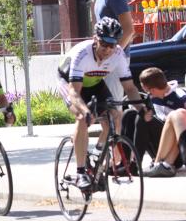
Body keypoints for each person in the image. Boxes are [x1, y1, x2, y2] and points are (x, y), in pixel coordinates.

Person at [57, 17, 143, 190]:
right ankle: (80, 171)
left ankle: (98, 156)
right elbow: (74, 92)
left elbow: (130, 87)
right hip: (70, 83)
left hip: (95, 82)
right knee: (82, 117)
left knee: (116, 116)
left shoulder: (118, 54)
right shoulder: (82, 54)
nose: (108, 49)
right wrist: (86, 111)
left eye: (113, 45)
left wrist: (142, 107)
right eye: (104, 44)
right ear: (95, 39)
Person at [121, 67, 186, 166]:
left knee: (142, 119)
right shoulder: (153, 97)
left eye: (148, 92)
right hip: (160, 145)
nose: (148, 95)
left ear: (154, 90)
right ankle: (125, 163)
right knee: (129, 114)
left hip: (178, 150)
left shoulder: (184, 99)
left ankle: (135, 164)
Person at [84, 0, 134, 107]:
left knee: (114, 104)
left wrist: (114, 53)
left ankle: (117, 132)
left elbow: (129, 29)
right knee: (105, 105)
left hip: (113, 57)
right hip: (103, 57)